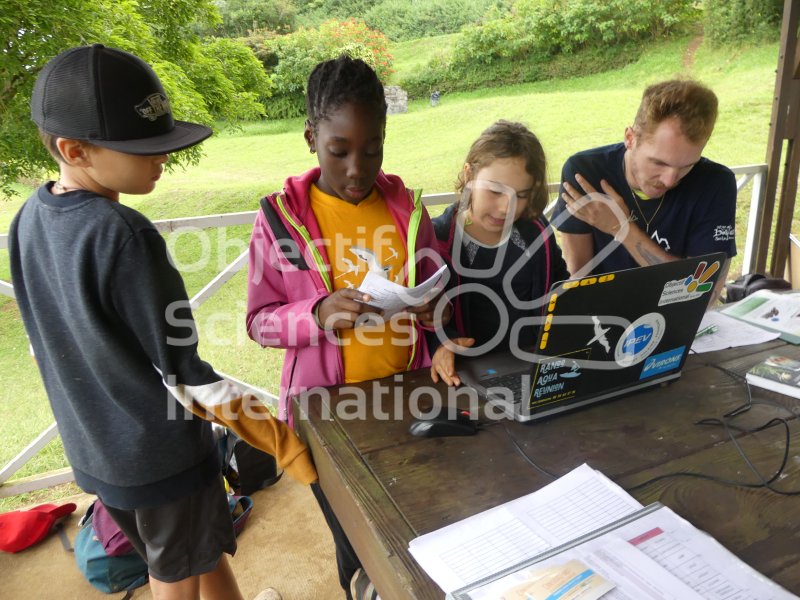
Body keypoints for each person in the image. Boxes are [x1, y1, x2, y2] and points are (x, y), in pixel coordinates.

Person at [8, 44, 316, 600]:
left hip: (98, 452)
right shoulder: (125, 235)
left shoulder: (28, 221)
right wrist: (281, 443)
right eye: (144, 147)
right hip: (161, 456)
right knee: (173, 575)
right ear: (73, 149)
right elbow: (187, 375)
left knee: (199, 552)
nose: (162, 158)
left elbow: (41, 343)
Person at [245, 55, 445, 599]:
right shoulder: (279, 220)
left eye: (373, 149)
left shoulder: (407, 210)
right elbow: (259, 324)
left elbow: (436, 286)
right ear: (311, 137)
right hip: (329, 416)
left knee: (416, 523)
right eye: (339, 151)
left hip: (408, 398)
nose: (358, 168)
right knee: (356, 541)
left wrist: (434, 310)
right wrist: (314, 314)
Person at [552, 79, 737, 303]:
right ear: (630, 138)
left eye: (687, 166)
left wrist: (622, 228)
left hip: (679, 321)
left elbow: (704, 295)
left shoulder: (716, 183)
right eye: (659, 163)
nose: (670, 180)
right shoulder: (585, 172)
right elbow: (578, 282)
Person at [428, 120, 569, 386]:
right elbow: (423, 315)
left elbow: (560, 290)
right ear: (469, 175)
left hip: (532, 373)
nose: (507, 208)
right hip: (462, 381)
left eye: (522, 195)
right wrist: (439, 343)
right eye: (494, 191)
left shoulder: (536, 233)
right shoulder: (437, 240)